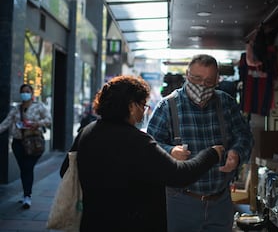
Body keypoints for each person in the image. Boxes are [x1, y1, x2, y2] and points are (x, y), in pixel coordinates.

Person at [59, 75, 225, 232]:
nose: (144, 111)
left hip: (92, 222)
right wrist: (211, 154)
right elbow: (179, 175)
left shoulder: (87, 132)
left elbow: (65, 171)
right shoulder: (137, 141)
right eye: (143, 105)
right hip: (133, 223)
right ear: (131, 106)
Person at [147, 54, 254, 232]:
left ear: (217, 80)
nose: (202, 85)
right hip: (181, 202)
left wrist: (237, 153)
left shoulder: (226, 103)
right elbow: (150, 147)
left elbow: (245, 136)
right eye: (197, 78)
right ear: (187, 75)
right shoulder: (167, 106)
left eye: (209, 80)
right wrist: (170, 150)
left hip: (220, 202)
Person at [0, 84, 51, 209]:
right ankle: (25, 194)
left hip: (34, 143)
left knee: (28, 167)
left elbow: (49, 120)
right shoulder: (16, 109)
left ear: (32, 93)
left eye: (27, 91)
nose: (25, 94)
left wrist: (36, 123)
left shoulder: (39, 107)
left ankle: (27, 196)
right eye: (23, 92)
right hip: (18, 143)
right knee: (24, 169)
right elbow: (6, 123)